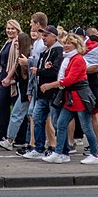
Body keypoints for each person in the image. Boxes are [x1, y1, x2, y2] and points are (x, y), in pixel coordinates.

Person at [43, 32, 98, 164]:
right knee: (61, 124)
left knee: (86, 127)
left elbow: (69, 80)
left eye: (69, 43)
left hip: (80, 97)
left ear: (76, 45)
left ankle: (94, 154)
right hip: (71, 97)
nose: (66, 46)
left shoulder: (78, 59)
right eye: (65, 43)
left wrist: (51, 85)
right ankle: (60, 153)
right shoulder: (69, 59)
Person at [22, 25, 63, 159]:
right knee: (38, 119)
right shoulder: (45, 51)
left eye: (46, 35)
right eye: (43, 35)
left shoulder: (58, 51)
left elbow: (55, 71)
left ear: (54, 36)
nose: (43, 38)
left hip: (53, 93)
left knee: (57, 123)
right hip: (42, 93)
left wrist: (39, 71)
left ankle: (61, 150)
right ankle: (38, 148)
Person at [0, 20, 25, 150]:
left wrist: (10, 78)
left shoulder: (17, 43)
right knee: (0, 104)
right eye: (8, 28)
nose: (10, 31)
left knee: (17, 108)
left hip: (12, 78)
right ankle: (1, 133)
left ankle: (19, 137)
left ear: (17, 30)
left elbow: (16, 61)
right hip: (4, 75)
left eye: (12, 29)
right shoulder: (7, 42)